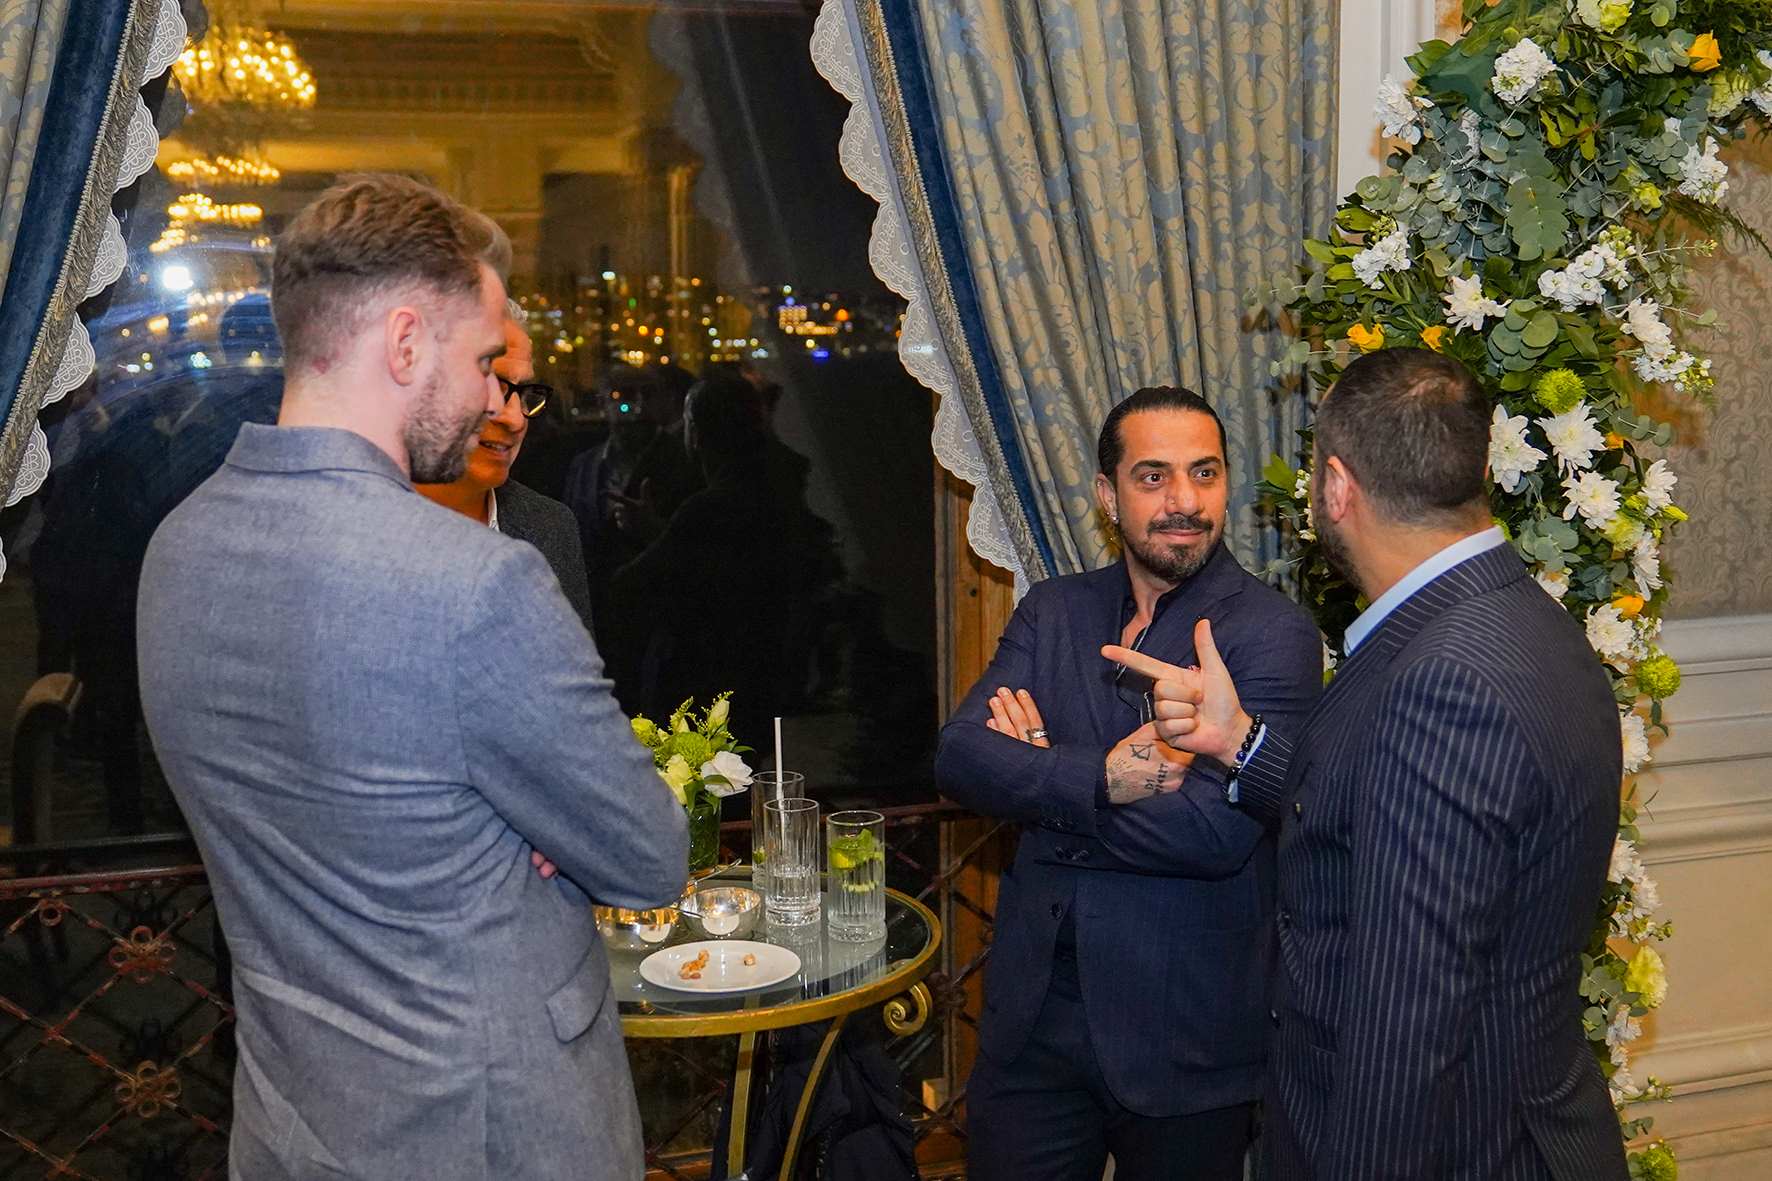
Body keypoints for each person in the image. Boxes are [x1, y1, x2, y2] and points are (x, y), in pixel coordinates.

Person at [136, 173, 687, 1181]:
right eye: (480, 361)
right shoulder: (477, 582)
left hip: (290, 1127)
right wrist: (525, 829)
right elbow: (647, 854)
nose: (490, 398)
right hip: (491, 1136)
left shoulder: (178, 548)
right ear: (402, 343)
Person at [1109, 350, 1628, 1180]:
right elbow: (1389, 820)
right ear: (1475, 470)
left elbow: (1404, 1027)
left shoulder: (1442, 675)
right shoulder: (1520, 617)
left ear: (1337, 487)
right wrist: (1240, 742)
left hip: (1460, 1149)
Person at [933, 387, 1323, 1181]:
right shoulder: (1053, 611)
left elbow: (1212, 834)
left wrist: (1039, 776)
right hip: (1033, 1026)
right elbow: (961, 756)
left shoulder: (1271, 632)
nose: (1185, 500)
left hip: (1184, 1037)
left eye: (1204, 473)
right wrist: (1103, 776)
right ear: (1108, 496)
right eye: (1154, 476)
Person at [417, 299, 592, 630]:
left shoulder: (550, 526)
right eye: (492, 386)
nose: (515, 419)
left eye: (524, 393)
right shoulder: (356, 529)